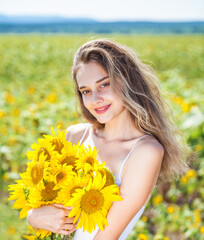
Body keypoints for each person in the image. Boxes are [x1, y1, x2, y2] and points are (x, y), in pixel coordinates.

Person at [27, 38, 191, 240]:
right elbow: (40, 209)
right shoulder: (75, 135)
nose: (95, 99)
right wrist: (33, 216)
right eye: (86, 91)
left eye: (104, 85)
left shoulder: (145, 152)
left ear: (127, 80)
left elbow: (107, 236)